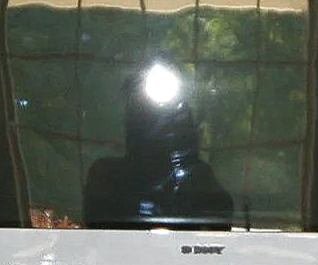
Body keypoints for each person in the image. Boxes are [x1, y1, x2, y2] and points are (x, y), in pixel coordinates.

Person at [83, 68, 234, 230]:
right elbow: (97, 231)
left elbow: (221, 223)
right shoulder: (106, 176)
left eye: (171, 124)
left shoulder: (198, 177)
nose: (158, 133)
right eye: (145, 121)